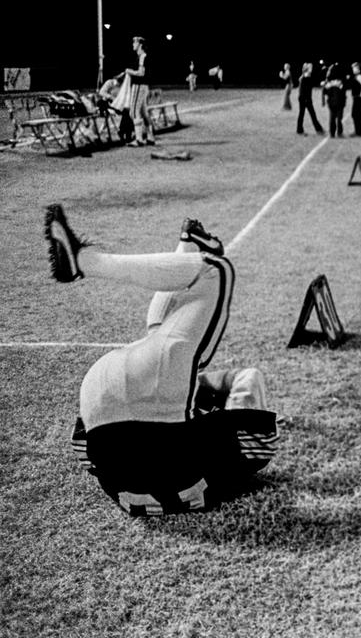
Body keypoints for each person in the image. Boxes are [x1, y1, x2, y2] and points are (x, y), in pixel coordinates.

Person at [43, 205, 280, 515]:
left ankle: (86, 261)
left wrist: (202, 393)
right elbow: (83, 450)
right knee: (166, 348)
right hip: (108, 439)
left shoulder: (240, 449)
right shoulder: (220, 458)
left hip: (148, 424)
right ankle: (185, 246)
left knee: (214, 269)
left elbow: (246, 387)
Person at [124, 35, 155, 147]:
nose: (133, 44)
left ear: (140, 44)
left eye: (135, 42)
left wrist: (129, 71)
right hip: (144, 86)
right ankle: (150, 137)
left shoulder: (142, 56)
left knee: (134, 112)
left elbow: (141, 73)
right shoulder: (142, 56)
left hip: (139, 85)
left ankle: (139, 139)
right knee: (143, 113)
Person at [295, 61, 324, 135]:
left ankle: (300, 129)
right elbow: (305, 90)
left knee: (304, 114)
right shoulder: (306, 77)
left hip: (304, 98)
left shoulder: (306, 76)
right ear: (307, 69)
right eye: (311, 67)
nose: (312, 68)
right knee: (310, 114)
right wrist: (306, 99)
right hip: (305, 99)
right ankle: (318, 129)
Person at [322, 60, 348, 137]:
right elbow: (344, 90)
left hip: (331, 102)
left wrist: (328, 84)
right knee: (339, 118)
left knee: (332, 118)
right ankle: (339, 132)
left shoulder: (329, 83)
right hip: (340, 102)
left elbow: (324, 92)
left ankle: (332, 133)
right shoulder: (341, 82)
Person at [348, 62, 361, 137]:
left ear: (358, 69)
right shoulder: (357, 76)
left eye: (354, 68)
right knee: (356, 114)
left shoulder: (359, 76)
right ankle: (358, 131)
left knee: (356, 114)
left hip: (357, 98)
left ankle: (359, 132)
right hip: (356, 97)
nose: (353, 69)